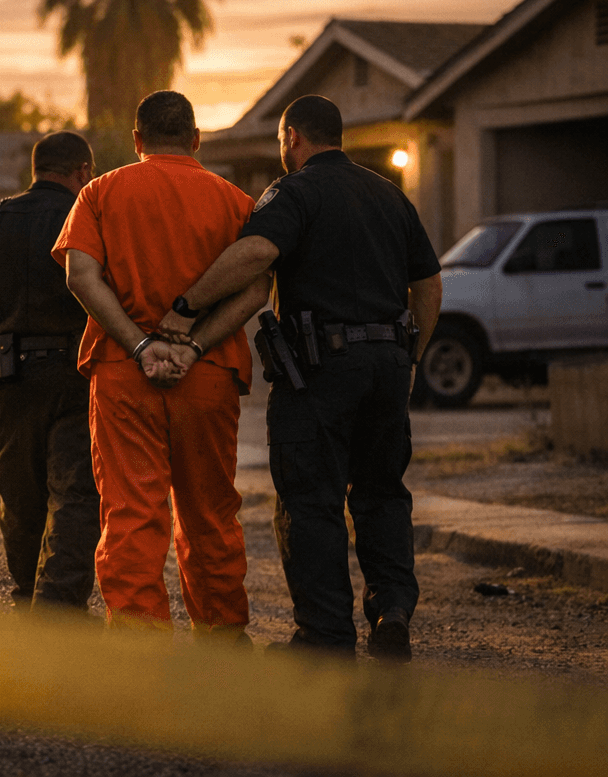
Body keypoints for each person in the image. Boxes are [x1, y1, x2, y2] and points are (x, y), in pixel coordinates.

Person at [157, 95, 442, 661]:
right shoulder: (390, 195)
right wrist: (410, 358)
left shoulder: (293, 193)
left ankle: (325, 636)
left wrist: (187, 305)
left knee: (311, 502)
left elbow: (257, 251)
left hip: (319, 372)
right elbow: (429, 287)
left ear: (291, 139)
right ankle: (392, 612)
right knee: (383, 494)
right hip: (387, 365)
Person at [54, 90, 271, 636]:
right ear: (196, 139)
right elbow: (257, 289)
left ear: (136, 139)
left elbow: (81, 276)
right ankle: (222, 637)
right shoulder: (236, 202)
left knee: (131, 512)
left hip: (124, 375)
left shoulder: (100, 193)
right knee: (210, 514)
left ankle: (138, 644)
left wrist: (140, 346)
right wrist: (194, 345)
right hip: (210, 374)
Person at [0, 131, 101, 611]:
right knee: (76, 495)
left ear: (35, 170)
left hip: (8, 382)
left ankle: (29, 596)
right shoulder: (87, 217)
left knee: (20, 498)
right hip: (78, 379)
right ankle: (60, 606)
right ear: (83, 172)